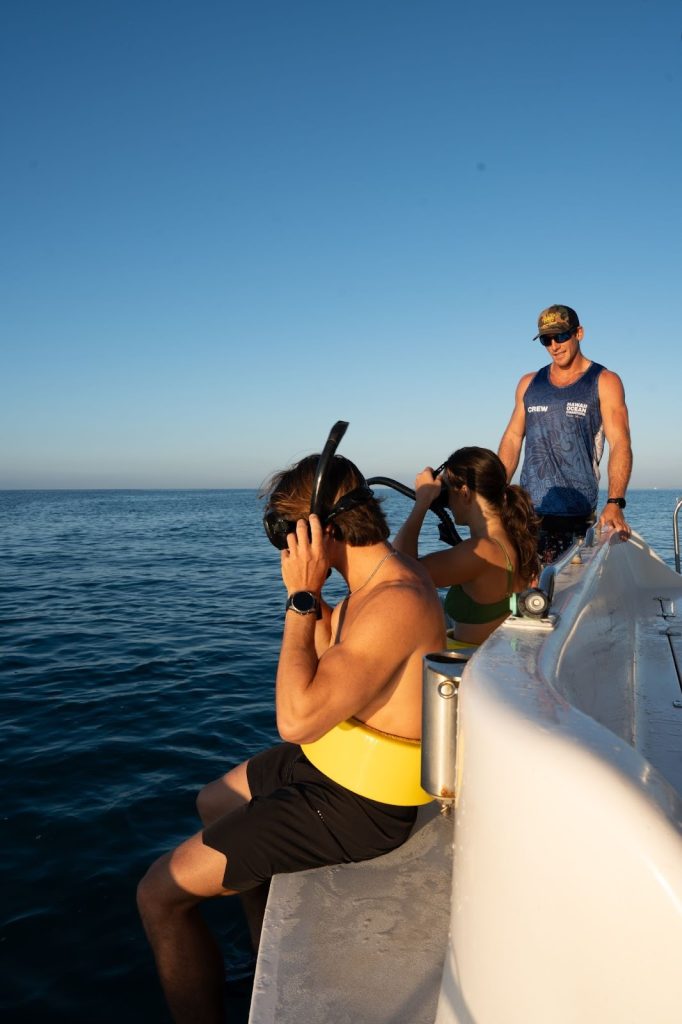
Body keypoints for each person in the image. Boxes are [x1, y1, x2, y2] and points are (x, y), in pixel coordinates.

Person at [137, 450, 445, 1024]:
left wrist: (300, 599)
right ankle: (259, 951)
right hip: (332, 762)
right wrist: (322, 596)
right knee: (213, 801)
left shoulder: (395, 600)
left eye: (290, 535)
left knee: (158, 894)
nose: (287, 551)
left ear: (319, 530)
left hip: (359, 804)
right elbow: (332, 663)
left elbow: (297, 720)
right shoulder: (375, 577)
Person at [498, 304, 633, 564]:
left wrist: (615, 502)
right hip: (527, 514)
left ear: (579, 333)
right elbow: (513, 438)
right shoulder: (529, 383)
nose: (554, 346)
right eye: (546, 340)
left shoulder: (605, 381)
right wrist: (498, 490)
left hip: (576, 517)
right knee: (527, 598)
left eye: (560, 336)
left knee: (567, 595)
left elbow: (620, 443)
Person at [393, 447, 539, 649]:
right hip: (483, 655)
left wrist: (423, 501)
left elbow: (398, 572)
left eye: (448, 491)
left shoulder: (480, 552)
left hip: (464, 666)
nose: (447, 503)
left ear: (464, 493)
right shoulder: (511, 538)